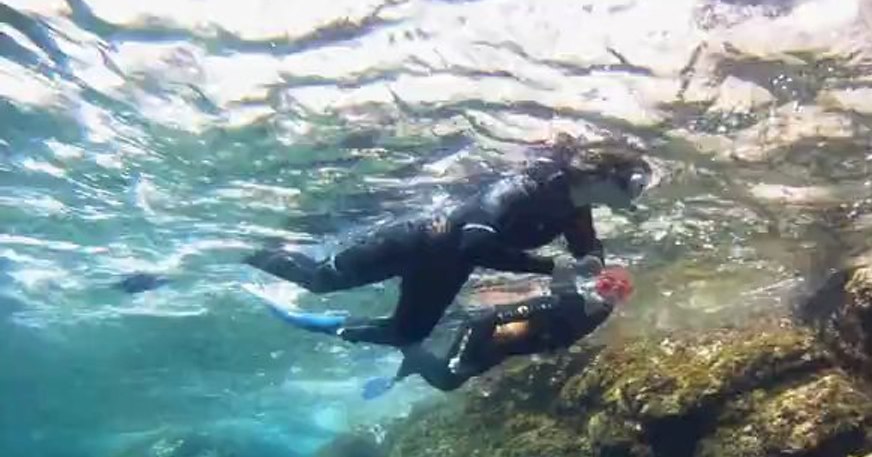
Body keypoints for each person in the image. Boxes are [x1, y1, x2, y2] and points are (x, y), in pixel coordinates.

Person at [243, 135, 651, 348]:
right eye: (635, 184)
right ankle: (247, 250)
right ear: (604, 176)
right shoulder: (527, 186)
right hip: (416, 241)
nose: (638, 195)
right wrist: (549, 268)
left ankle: (320, 324)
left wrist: (599, 267)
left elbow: (586, 247)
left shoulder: (576, 208)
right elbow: (474, 244)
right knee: (319, 280)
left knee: (408, 335)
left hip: (446, 266)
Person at [361, 259, 634, 398]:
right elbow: (483, 320)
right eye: (607, 286)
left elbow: (563, 283)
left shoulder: (582, 309)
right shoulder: (563, 305)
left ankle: (399, 359)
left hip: (493, 347)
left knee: (443, 373)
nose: (608, 295)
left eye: (616, 292)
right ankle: (399, 345)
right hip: (484, 343)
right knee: (444, 373)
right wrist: (462, 360)